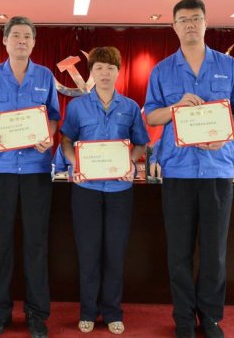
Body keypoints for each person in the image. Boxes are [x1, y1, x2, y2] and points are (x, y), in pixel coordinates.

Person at [144, 0, 234, 338]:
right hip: (178, 172)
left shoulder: (228, 65)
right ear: (174, 26)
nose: (190, 24)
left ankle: (210, 317)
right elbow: (151, 116)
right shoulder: (162, 70)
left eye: (196, 18)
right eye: (183, 20)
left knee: (214, 252)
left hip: (217, 171)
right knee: (178, 252)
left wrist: (228, 134)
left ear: (206, 23)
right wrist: (175, 107)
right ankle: (182, 318)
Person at [0, 16, 60, 338]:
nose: (22, 41)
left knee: (36, 243)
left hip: (35, 169)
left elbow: (53, 118)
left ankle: (37, 314)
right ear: (5, 41)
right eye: (16, 35)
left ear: (34, 43)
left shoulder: (45, 76)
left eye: (27, 36)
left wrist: (49, 135)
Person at [59, 47, 149, 335]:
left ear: (118, 72)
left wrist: (129, 161)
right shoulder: (77, 107)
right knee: (88, 252)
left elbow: (140, 143)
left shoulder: (130, 107)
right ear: (92, 73)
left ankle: (112, 312)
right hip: (86, 188)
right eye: (99, 68)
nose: (105, 73)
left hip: (120, 189)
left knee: (115, 252)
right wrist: (75, 163)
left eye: (110, 68)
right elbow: (66, 141)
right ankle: (87, 311)